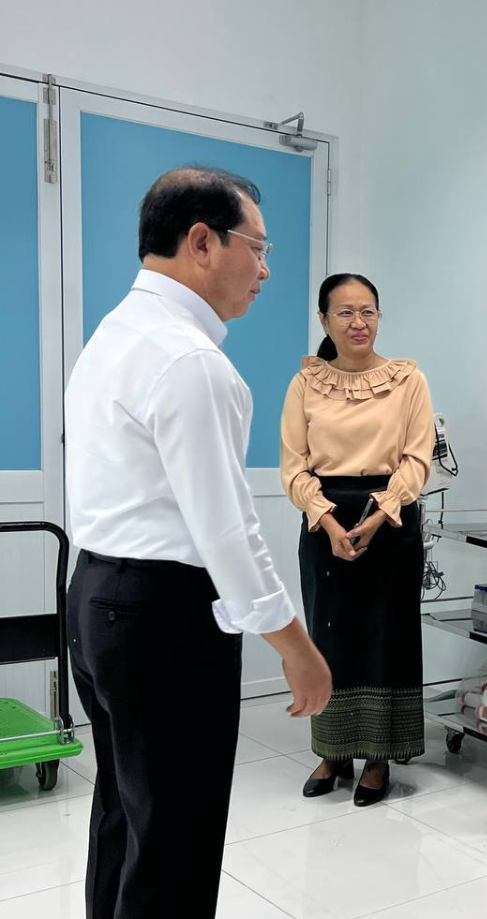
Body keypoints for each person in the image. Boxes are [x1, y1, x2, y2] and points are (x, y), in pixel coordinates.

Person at [64, 167, 332, 919]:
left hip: (96, 596)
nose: (266, 270)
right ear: (202, 242)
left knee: (126, 815)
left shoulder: (114, 335)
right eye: (259, 247)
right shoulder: (189, 361)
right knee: (175, 839)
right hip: (163, 616)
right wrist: (296, 646)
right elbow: (228, 530)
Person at [280, 273, 434, 806]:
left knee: (385, 638)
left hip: (390, 522)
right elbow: (294, 467)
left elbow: (417, 459)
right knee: (330, 638)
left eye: (368, 311)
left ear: (379, 317)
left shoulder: (408, 380)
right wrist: (327, 520)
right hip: (324, 523)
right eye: (345, 312)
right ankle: (333, 751)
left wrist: (380, 514)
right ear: (324, 320)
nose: (358, 322)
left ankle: (379, 758)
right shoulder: (306, 383)